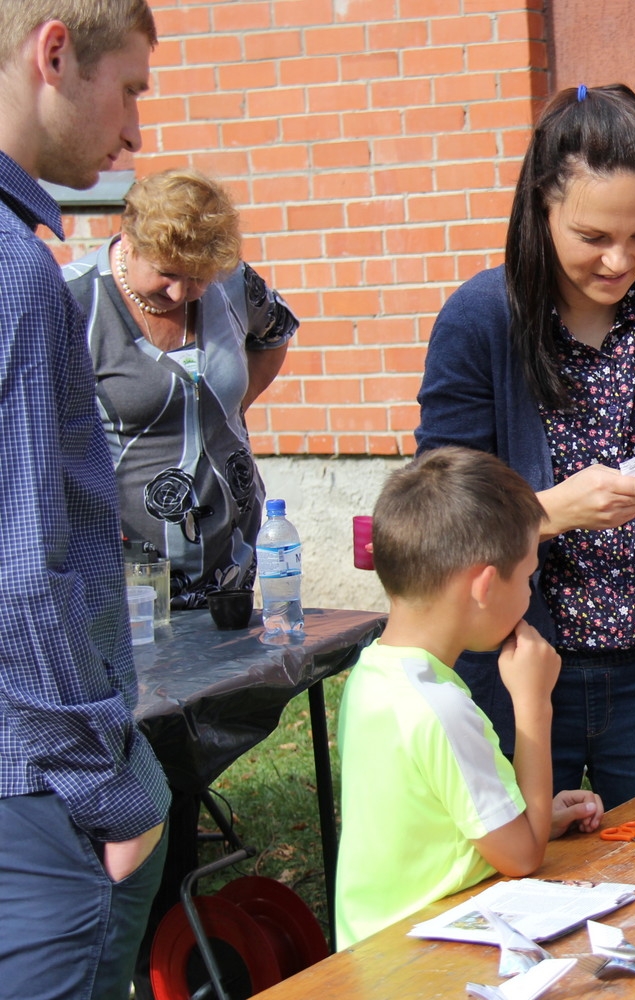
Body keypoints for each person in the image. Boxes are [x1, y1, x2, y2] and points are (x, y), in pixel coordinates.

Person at [417, 84, 635, 810]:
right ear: (543, 208)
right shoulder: (480, 321)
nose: (620, 260)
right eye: (593, 237)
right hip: (519, 668)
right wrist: (553, 510)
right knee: (528, 883)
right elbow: (436, 527)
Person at [0, 3, 170, 998]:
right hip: (28, 781)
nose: (136, 132)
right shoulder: (21, 275)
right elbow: (23, 569)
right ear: (55, 53)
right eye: (132, 88)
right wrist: (101, 787)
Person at [334, 447, 603, 948]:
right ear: (483, 586)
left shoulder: (372, 672)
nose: (527, 594)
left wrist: (533, 812)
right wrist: (533, 705)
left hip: (372, 947)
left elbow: (441, 819)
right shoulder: (440, 706)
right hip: (425, 961)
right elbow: (522, 856)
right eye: (525, 577)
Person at [64, 167, 297, 607]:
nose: (179, 292)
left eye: (196, 277)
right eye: (166, 273)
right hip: (125, 574)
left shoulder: (230, 280)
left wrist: (228, 408)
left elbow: (274, 334)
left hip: (231, 557)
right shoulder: (73, 301)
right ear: (129, 240)